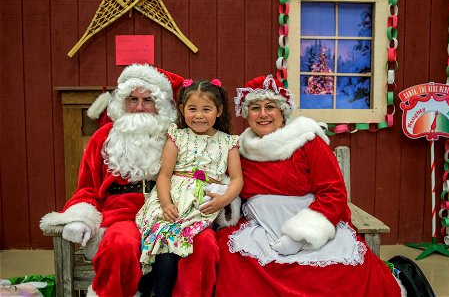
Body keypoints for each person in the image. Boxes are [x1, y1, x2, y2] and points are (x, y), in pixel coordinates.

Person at [214, 75, 405, 296]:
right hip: (261, 229)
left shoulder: (306, 141)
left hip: (311, 227)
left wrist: (300, 236)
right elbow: (231, 185)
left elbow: (333, 192)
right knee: (236, 268)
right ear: (247, 114)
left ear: (282, 112)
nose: (263, 114)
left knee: (335, 277)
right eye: (255, 108)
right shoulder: (239, 149)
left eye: (270, 107)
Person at [39, 64, 218, 297]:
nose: (139, 107)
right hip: (122, 216)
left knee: (203, 244)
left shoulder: (179, 138)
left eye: (148, 100)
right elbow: (87, 188)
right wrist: (79, 218)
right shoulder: (103, 138)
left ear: (161, 105)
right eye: (133, 99)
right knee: (120, 245)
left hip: (174, 213)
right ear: (122, 101)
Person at [136, 79, 244, 296]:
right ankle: (150, 289)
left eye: (207, 109)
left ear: (219, 111)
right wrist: (165, 203)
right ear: (182, 109)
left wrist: (223, 200)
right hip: (173, 199)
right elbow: (164, 175)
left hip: (199, 205)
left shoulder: (228, 142)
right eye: (192, 109)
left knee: (176, 240)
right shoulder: (177, 137)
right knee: (163, 239)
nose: (199, 115)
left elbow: (237, 179)